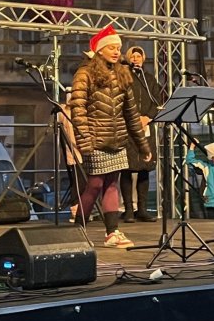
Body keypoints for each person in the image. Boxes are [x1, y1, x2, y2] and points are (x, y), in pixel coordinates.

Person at [70, 24, 151, 248]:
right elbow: (78, 109)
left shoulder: (122, 74)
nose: (116, 52)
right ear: (100, 50)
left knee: (111, 185)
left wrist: (143, 146)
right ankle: (78, 230)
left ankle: (112, 232)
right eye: (112, 47)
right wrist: (84, 140)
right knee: (95, 185)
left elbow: (132, 114)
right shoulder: (85, 73)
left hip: (117, 140)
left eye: (118, 48)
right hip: (96, 139)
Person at [119, 46, 162, 223]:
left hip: (146, 127)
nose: (136, 58)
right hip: (127, 128)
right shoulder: (123, 77)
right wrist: (133, 119)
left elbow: (157, 102)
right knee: (127, 168)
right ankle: (129, 209)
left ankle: (142, 209)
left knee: (145, 167)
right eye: (133, 56)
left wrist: (148, 117)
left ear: (144, 58)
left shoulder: (149, 79)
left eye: (139, 55)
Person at [59, 86, 86, 222]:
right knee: (78, 181)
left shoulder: (83, 110)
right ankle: (76, 210)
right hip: (74, 153)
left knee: (84, 182)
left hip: (85, 151)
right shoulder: (65, 111)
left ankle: (84, 209)